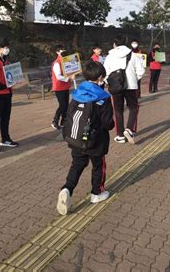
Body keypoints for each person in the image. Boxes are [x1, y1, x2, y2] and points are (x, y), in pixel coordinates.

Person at [56, 61, 114, 215]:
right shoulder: (103, 97)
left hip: (76, 139)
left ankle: (67, 189)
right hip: (96, 141)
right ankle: (97, 193)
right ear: (100, 77)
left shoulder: (77, 93)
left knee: (77, 165)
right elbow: (108, 124)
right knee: (98, 166)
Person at [104, 35, 144, 144]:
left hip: (116, 86)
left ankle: (120, 135)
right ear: (126, 43)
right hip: (131, 86)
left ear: (114, 44)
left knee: (118, 110)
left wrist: (109, 82)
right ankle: (129, 129)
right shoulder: (133, 55)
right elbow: (140, 70)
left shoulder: (109, 56)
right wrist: (134, 79)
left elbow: (105, 72)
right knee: (133, 108)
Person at [51, 45, 74, 130]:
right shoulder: (57, 63)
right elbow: (58, 76)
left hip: (65, 86)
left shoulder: (67, 60)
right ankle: (55, 121)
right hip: (59, 86)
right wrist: (69, 78)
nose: (63, 51)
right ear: (57, 52)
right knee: (62, 105)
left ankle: (64, 122)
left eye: (64, 49)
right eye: (61, 50)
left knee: (66, 105)